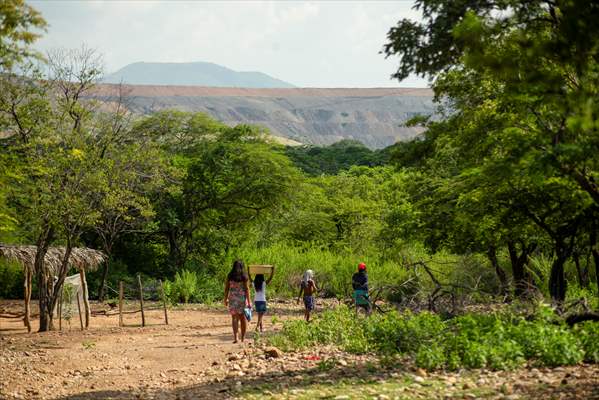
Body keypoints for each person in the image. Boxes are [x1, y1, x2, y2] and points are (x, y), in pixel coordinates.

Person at [224, 260, 251, 343]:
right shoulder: (244, 276)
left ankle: (236, 337)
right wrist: (249, 301)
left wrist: (225, 299)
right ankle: (243, 338)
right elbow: (247, 289)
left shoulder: (230, 275)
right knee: (243, 319)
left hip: (232, 299)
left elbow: (227, 288)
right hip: (242, 299)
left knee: (234, 318)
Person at [248, 266, 275, 332]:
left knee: (259, 315)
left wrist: (248, 270)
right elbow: (270, 278)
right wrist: (272, 271)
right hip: (262, 300)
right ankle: (257, 327)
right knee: (261, 315)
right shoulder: (264, 283)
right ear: (262, 277)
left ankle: (261, 328)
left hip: (256, 301)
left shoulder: (254, 283)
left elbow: (250, 277)